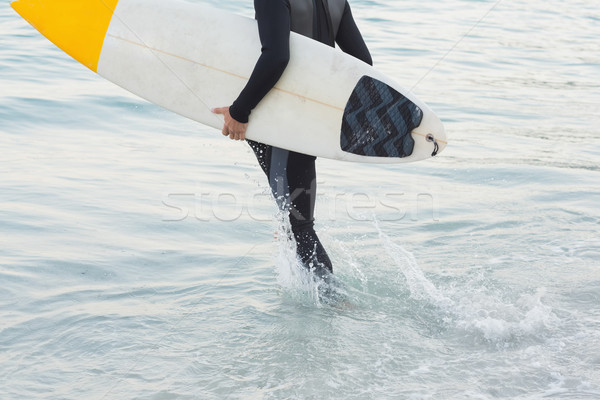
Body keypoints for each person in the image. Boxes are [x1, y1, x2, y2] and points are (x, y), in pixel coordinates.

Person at [212, 0, 372, 279]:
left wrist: (240, 111)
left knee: (299, 224)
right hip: (308, 118)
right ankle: (310, 304)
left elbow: (276, 57)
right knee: (297, 220)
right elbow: (362, 64)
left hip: (277, 118)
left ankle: (332, 302)